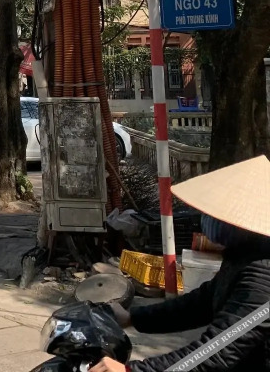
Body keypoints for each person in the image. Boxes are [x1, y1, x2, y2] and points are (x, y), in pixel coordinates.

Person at [89, 155, 270, 372]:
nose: (208, 218)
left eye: (217, 214)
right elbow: (201, 303)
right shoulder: (244, 254)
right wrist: (133, 317)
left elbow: (220, 351)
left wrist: (133, 371)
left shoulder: (262, 274)